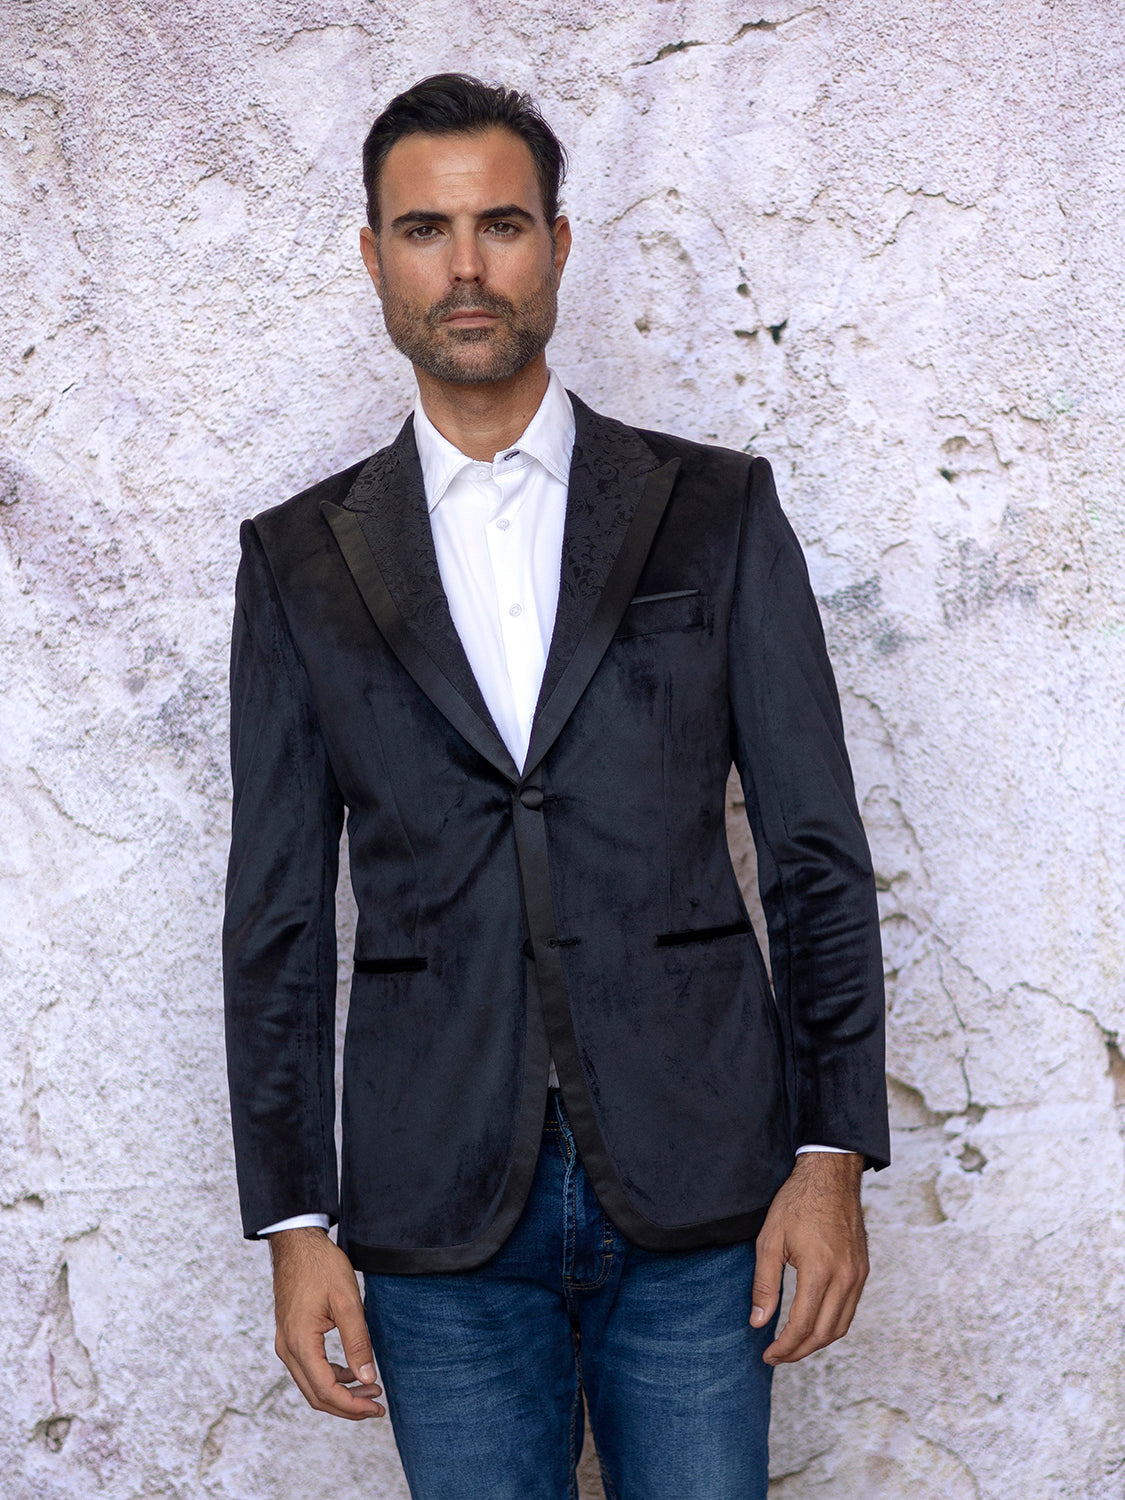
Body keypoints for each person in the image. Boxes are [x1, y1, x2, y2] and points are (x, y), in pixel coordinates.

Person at [223, 72, 889, 1500]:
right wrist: (291, 1221)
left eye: (501, 225)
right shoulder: (298, 559)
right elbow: (274, 911)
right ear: (372, 256)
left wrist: (828, 1155)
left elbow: (813, 849)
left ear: (560, 245)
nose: (464, 267)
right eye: (423, 229)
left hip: (709, 1190)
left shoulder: (711, 510)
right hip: (428, 1204)